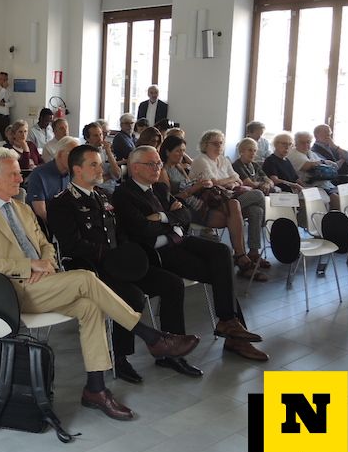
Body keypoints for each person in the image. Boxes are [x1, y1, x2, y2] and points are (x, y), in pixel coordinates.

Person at [0, 148, 200, 420]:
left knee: (90, 306)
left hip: (45, 282)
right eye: (13, 174)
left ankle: (96, 389)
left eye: (19, 173)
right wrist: (30, 265)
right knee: (86, 278)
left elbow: (46, 245)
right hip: (12, 291)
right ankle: (152, 337)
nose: (20, 178)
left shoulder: (22, 208)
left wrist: (46, 263)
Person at [49, 144, 201, 381]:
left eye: (100, 163)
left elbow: (120, 232)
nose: (101, 169)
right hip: (91, 268)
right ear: (77, 170)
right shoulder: (62, 202)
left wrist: (127, 254)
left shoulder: (104, 196)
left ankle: (170, 351)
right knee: (132, 296)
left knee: (172, 284)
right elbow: (72, 246)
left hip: (120, 263)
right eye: (94, 164)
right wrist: (110, 255)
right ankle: (121, 358)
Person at [113, 146, 268, 361]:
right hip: (156, 252)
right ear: (135, 167)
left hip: (178, 240)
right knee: (220, 274)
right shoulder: (123, 194)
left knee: (222, 251)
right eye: (151, 164)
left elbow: (186, 214)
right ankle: (231, 332)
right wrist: (171, 217)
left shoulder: (159, 188)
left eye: (158, 163)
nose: (157, 168)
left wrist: (162, 217)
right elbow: (142, 229)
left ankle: (228, 323)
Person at [160, 135, 266, 281]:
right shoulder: (163, 171)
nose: (181, 155)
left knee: (248, 209)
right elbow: (168, 200)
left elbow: (191, 186)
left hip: (201, 202)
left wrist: (200, 185)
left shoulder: (179, 167)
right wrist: (197, 186)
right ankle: (242, 258)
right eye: (178, 151)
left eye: (183, 151)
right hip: (187, 209)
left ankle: (243, 256)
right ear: (167, 152)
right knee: (238, 207)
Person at [189, 130, 268, 272]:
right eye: (215, 143)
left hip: (230, 198)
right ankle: (258, 234)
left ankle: (253, 252)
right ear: (205, 144)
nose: (219, 146)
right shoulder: (201, 160)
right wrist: (230, 181)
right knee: (258, 194)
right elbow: (213, 183)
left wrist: (228, 182)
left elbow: (238, 179)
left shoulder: (224, 160)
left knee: (256, 210)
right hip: (212, 203)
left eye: (221, 143)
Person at [25, 136, 79, 223]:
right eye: (73, 155)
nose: (76, 160)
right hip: (45, 225)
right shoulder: (39, 175)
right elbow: (41, 214)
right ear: (60, 154)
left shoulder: (75, 173)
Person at [288, 131, 340, 209]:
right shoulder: (293, 154)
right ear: (296, 143)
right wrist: (324, 162)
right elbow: (308, 166)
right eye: (302, 142)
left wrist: (323, 163)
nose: (306, 145)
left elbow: (323, 165)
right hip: (308, 186)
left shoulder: (311, 153)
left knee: (347, 194)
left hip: (323, 185)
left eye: (308, 142)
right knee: (335, 198)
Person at [83, 122, 120, 191]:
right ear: (87, 138)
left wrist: (109, 153)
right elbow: (92, 180)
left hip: (113, 187)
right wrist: (110, 175)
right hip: (98, 189)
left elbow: (117, 175)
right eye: (95, 136)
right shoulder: (84, 153)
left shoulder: (105, 150)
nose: (100, 138)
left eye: (101, 134)